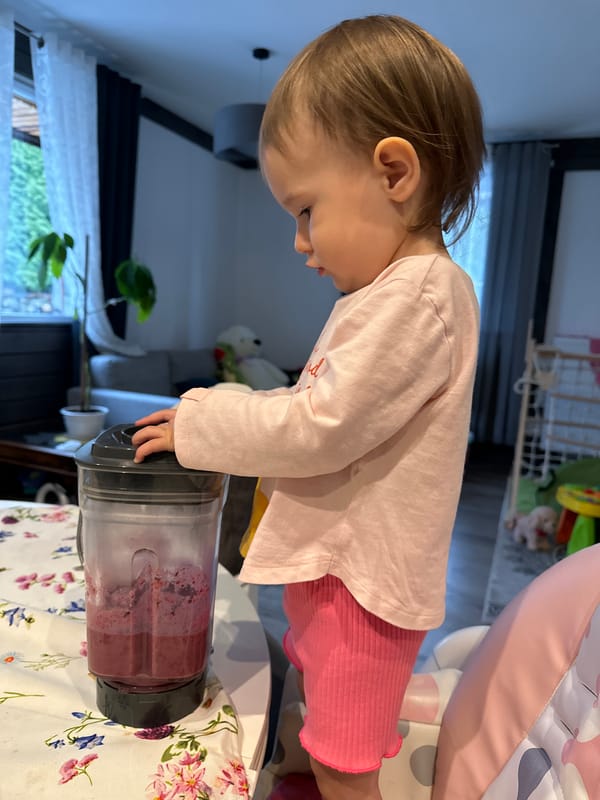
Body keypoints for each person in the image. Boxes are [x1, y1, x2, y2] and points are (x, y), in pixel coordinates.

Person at [132, 14, 485, 800]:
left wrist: (205, 425)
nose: (300, 242)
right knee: (315, 713)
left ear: (395, 173)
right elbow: (321, 404)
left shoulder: (422, 294)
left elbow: (322, 426)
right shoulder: (386, 294)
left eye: (305, 210)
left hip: (365, 587)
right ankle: (301, 767)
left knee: (345, 758)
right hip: (339, 573)